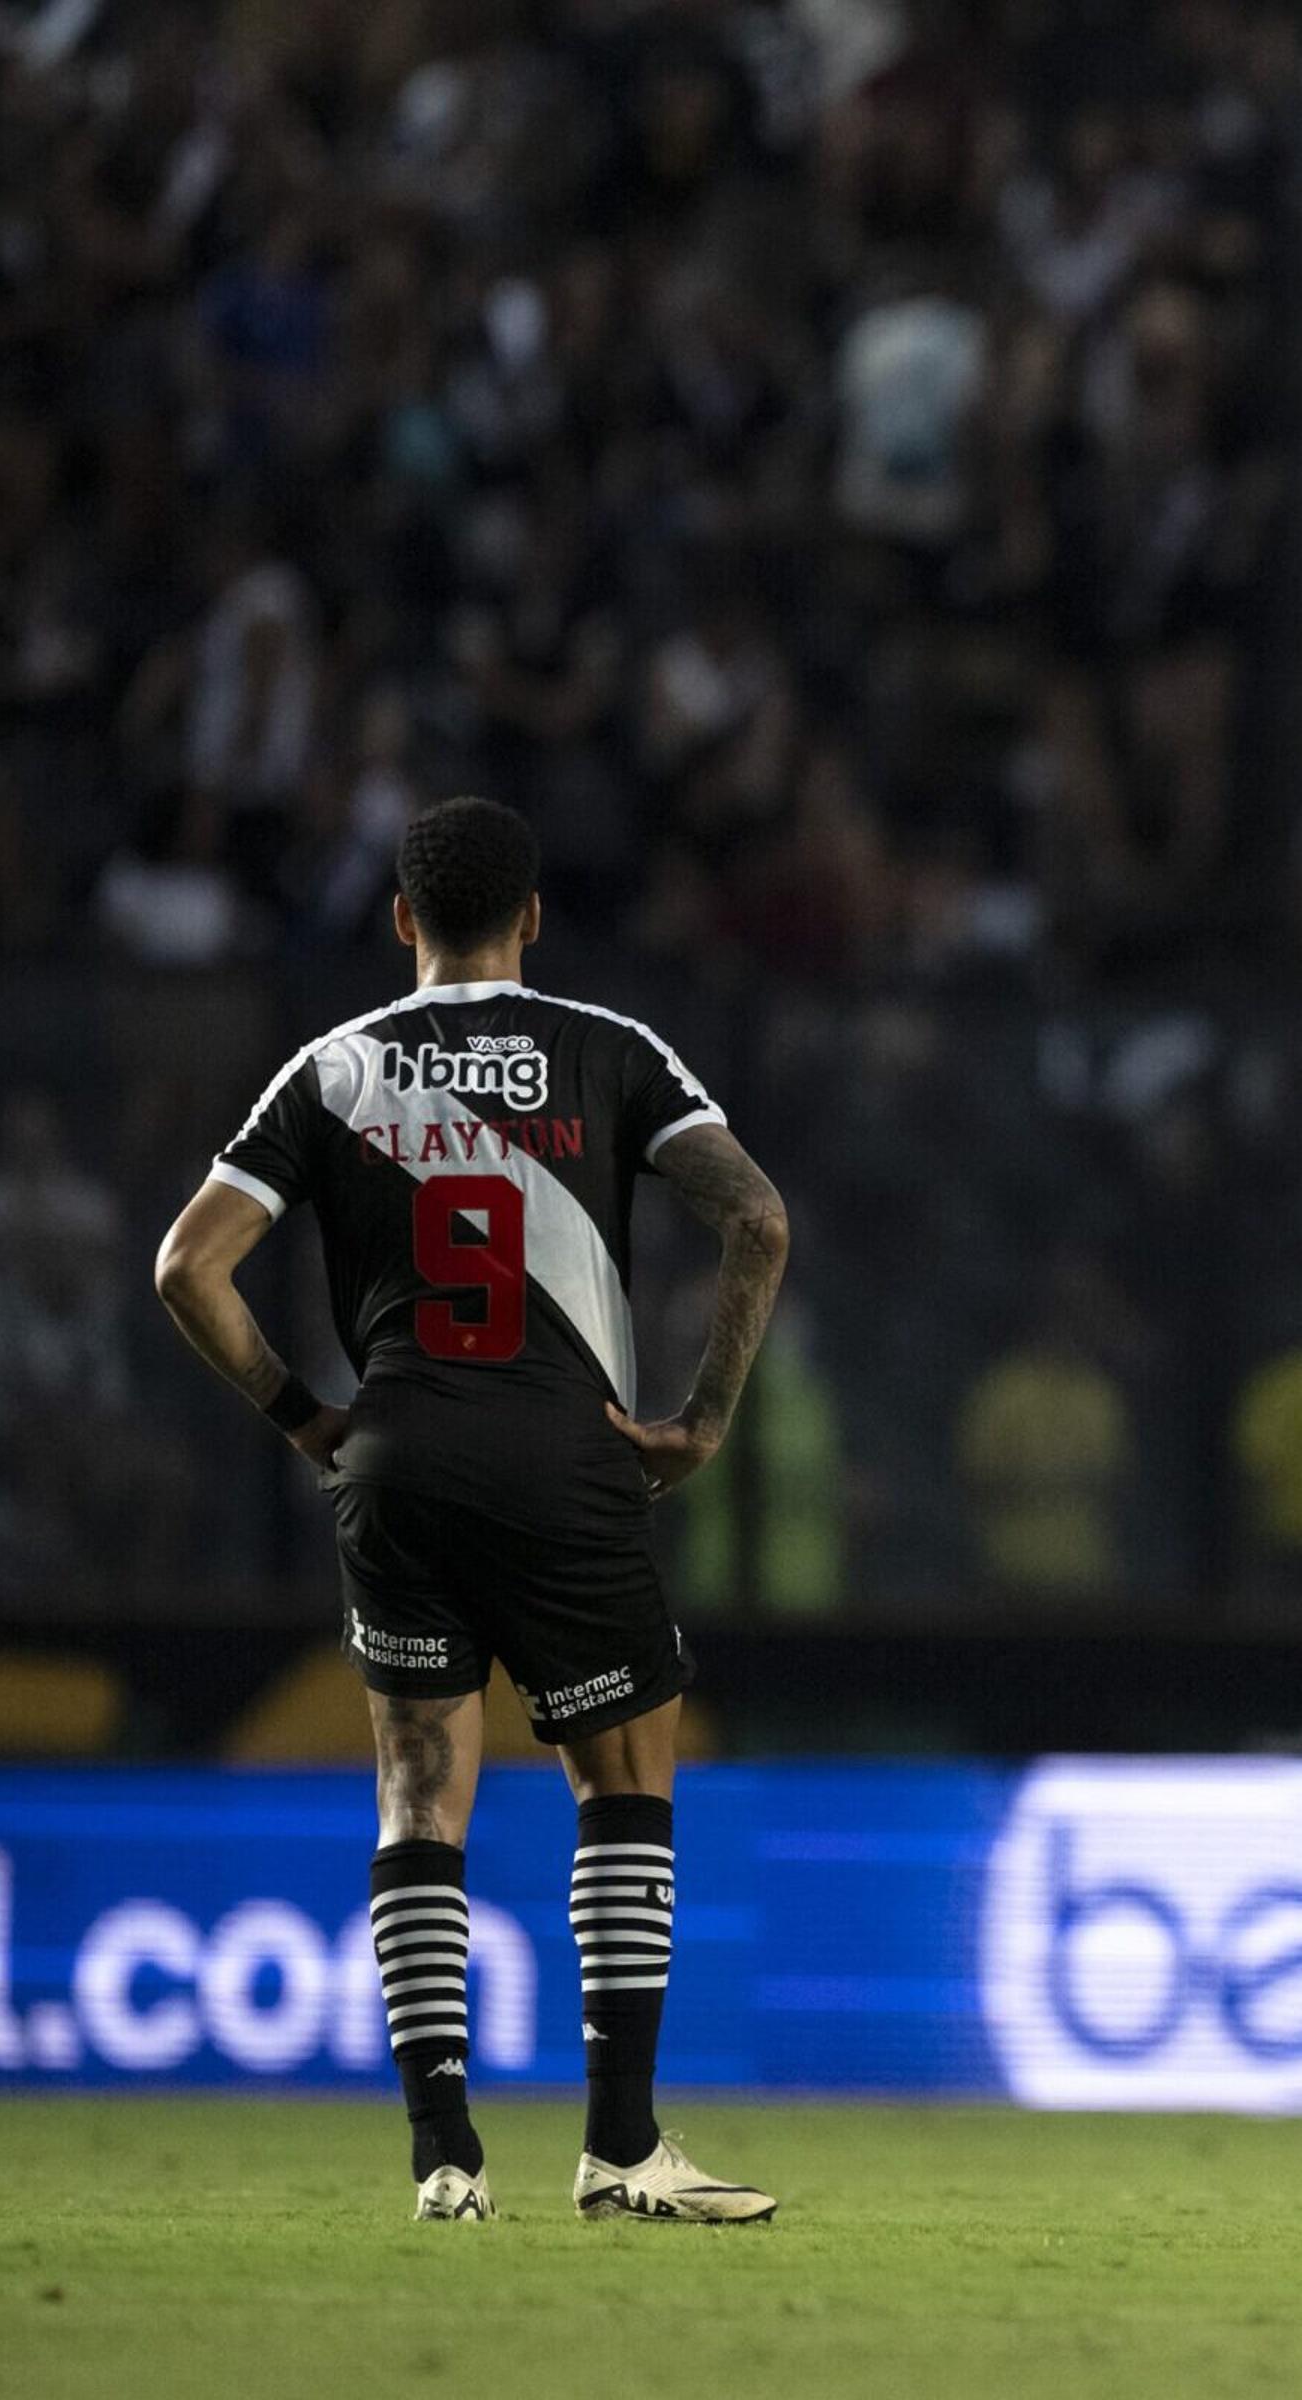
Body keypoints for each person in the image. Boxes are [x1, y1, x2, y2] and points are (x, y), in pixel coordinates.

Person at [149, 796, 792, 2226]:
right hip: (567, 1462)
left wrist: (305, 1416)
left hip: (397, 1463)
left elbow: (188, 1268)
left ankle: (444, 2158)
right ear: (535, 919)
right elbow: (758, 1219)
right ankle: (622, 2148)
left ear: (399, 923)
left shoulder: (332, 1068)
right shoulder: (612, 1052)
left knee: (418, 1798)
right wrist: (701, 1423)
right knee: (621, 1788)